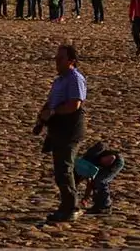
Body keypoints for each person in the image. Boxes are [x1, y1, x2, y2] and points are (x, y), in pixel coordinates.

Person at [33, 43, 88, 223]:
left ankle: (71, 207)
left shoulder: (75, 78)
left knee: (64, 169)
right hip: (58, 129)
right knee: (60, 170)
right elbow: (52, 101)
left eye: (60, 58)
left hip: (69, 129)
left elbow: (75, 104)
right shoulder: (60, 80)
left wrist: (54, 112)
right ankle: (66, 205)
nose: (56, 61)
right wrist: (43, 116)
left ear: (71, 61)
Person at [75, 142, 125, 215]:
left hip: (115, 161)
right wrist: (86, 198)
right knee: (96, 182)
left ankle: (105, 207)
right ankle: (98, 205)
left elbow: (112, 157)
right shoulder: (82, 168)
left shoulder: (84, 168)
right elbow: (90, 183)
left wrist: (103, 167)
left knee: (101, 181)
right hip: (101, 163)